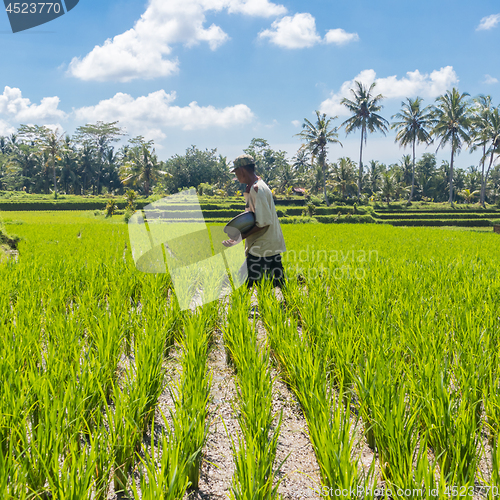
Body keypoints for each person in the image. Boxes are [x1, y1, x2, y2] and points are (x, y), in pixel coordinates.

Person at [222, 154, 286, 288]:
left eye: (236, 172)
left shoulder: (257, 189)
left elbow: (263, 223)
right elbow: (252, 216)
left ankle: (238, 307)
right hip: (270, 244)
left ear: (242, 170)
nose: (236, 176)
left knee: (242, 281)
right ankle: (290, 304)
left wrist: (239, 238)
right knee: (278, 281)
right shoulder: (255, 187)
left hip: (262, 246)